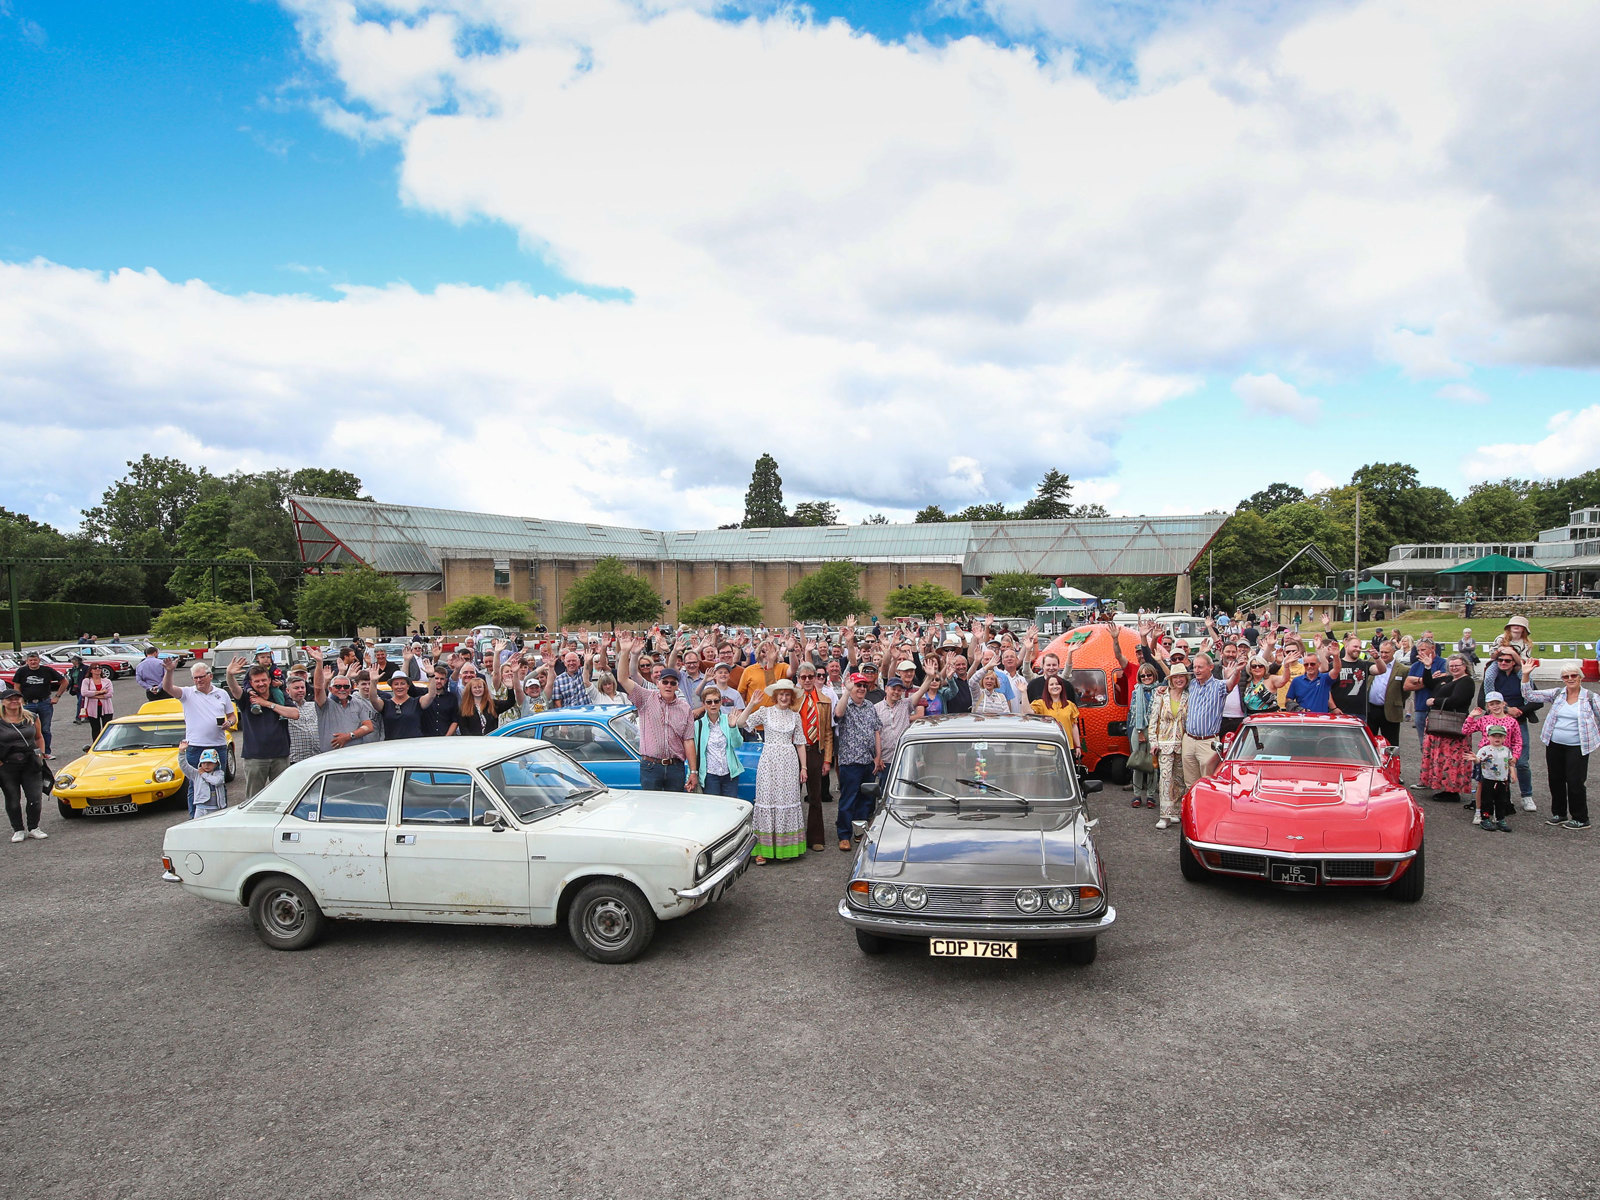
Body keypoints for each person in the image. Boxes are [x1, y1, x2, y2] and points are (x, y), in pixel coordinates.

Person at [1522, 660, 1599, 830]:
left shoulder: (1591, 697)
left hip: (1578, 746)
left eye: (1574, 675)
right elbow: (1530, 696)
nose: (1570, 679)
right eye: (1566, 676)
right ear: (1562, 679)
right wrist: (1526, 675)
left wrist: (1594, 735)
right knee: (1555, 779)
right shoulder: (1557, 694)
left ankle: (1581, 818)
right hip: (1554, 743)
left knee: (1575, 781)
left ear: (1580, 677)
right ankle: (1559, 813)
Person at [739, 678, 807, 863]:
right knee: (766, 800)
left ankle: (786, 848)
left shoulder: (795, 716)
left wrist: (804, 767)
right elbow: (741, 723)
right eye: (781, 694)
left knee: (787, 800)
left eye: (787, 694)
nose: (784, 697)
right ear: (775, 696)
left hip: (789, 761)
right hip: (769, 760)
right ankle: (763, 850)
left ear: (791, 697)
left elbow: (800, 743)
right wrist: (752, 704)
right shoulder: (765, 712)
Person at [617, 638, 695, 791]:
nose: (668, 685)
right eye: (665, 682)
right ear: (658, 683)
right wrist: (625, 652)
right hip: (651, 767)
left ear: (677, 686)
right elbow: (622, 679)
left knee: (674, 811)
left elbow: (689, 741)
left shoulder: (685, 708)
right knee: (652, 810)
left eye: (673, 683)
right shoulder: (645, 697)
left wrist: (693, 771)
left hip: (676, 767)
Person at [223, 658, 298, 797]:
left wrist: (266, 704)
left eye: (264, 680)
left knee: (283, 797)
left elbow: (294, 714)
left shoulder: (280, 695)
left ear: (269, 680)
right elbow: (234, 688)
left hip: (281, 755)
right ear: (250, 683)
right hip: (255, 758)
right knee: (253, 798)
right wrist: (229, 675)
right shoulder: (246, 698)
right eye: (256, 681)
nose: (261, 684)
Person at [1481, 647, 1537, 811]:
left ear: (1514, 662)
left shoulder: (1523, 676)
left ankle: (1527, 796)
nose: (1503, 663)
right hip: (1497, 724)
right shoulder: (1491, 678)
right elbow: (1482, 701)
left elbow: (1536, 700)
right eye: (1500, 660)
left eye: (1508, 660)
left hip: (1518, 721)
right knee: (1497, 761)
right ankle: (1504, 799)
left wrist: (1518, 711)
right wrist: (1505, 711)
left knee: (1522, 762)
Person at [832, 673, 883, 852]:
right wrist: (846, 691)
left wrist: (878, 756)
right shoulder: (845, 704)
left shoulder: (870, 706)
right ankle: (844, 835)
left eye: (863, 685)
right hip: (850, 761)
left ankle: (860, 832)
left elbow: (876, 730)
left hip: (868, 761)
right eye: (857, 685)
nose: (861, 688)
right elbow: (838, 714)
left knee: (866, 800)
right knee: (848, 799)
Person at [1418, 653, 1476, 802]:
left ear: (1465, 666)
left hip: (1453, 726)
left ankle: (1452, 790)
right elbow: (1429, 683)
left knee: (1452, 758)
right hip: (1441, 725)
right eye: (1451, 666)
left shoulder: (1467, 681)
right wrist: (1427, 667)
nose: (1454, 668)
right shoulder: (1449, 678)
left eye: (1457, 665)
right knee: (1441, 757)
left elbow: (1456, 700)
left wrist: (1435, 701)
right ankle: (1442, 785)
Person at [161, 658, 235, 770]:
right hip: (195, 746)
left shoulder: (222, 694)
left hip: (218, 745)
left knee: (217, 781)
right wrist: (170, 671)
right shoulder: (187, 693)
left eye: (202, 677)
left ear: (210, 676)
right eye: (195, 678)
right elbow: (167, 688)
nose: (199, 680)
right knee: (196, 782)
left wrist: (229, 723)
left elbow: (232, 716)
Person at [792, 663, 834, 852]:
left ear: (817, 677)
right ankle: (792, 837)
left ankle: (816, 837)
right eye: (804, 677)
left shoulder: (825, 700)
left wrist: (827, 759)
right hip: (794, 751)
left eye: (811, 676)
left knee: (815, 796)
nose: (808, 680)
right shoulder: (792, 699)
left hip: (815, 751)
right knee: (792, 796)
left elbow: (827, 733)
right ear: (799, 679)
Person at [1462, 695, 1523, 825]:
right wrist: (1471, 716)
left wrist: (1515, 757)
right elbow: (1466, 730)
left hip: (1502, 759)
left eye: (1497, 703)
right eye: (1491, 704)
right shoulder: (1484, 719)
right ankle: (1479, 812)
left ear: (1503, 704)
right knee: (1482, 785)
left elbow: (1517, 741)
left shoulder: (1512, 722)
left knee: (1500, 787)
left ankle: (1497, 814)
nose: (1495, 706)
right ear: (1487, 707)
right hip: (1484, 758)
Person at [0, 688, 48, 841]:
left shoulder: (32, 717)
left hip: (31, 762)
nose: (14, 701)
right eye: (10, 699)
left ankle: (34, 827)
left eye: (17, 698)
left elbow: (39, 737)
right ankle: (18, 829)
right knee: (12, 798)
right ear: (3, 702)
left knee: (35, 797)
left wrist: (41, 754)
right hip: (7, 764)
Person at [309, 650, 376, 753]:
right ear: (330, 689)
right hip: (330, 756)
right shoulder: (325, 704)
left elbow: (369, 726)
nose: (342, 689)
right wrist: (319, 662)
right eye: (338, 686)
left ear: (351, 688)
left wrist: (349, 736)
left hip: (355, 755)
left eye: (346, 686)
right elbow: (318, 688)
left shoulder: (357, 703)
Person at [1149, 662, 1190, 830]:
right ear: (1171, 679)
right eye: (1176, 677)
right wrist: (1153, 741)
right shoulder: (1162, 695)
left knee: (1179, 780)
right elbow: (1153, 719)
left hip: (1183, 743)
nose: (1179, 680)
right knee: (1165, 779)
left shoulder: (1189, 695)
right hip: (1164, 743)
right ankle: (1164, 815)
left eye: (1182, 677)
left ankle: (1175, 812)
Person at [692, 684, 746, 798]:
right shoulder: (698, 725)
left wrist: (732, 727)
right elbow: (695, 752)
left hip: (729, 773)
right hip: (710, 774)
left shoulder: (728, 719)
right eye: (709, 702)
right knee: (712, 810)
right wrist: (692, 774)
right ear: (704, 704)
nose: (713, 705)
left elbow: (738, 744)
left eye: (716, 701)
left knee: (731, 808)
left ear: (721, 702)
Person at [12, 650, 67, 759]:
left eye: (35, 660)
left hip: (44, 703)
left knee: (45, 729)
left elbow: (64, 682)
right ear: (27, 661)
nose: (33, 662)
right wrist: (19, 700)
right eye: (30, 660)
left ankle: (45, 752)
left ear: (39, 660)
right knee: (28, 728)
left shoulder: (47, 670)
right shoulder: (21, 671)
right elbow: (16, 686)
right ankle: (30, 753)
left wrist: (57, 696)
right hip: (28, 704)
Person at [1125, 665, 1158, 809]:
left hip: (1155, 730)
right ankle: (1137, 794)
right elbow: (1134, 712)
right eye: (1143, 676)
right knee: (1137, 763)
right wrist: (1139, 732)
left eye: (1149, 675)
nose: (1146, 678)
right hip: (1139, 729)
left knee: (1153, 764)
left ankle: (1150, 795)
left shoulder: (1160, 691)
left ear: (1154, 675)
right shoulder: (1136, 692)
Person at [1469, 724, 1513, 831]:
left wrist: (1513, 774)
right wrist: (1474, 759)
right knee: (1487, 800)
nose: (1497, 738)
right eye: (1494, 736)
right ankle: (1485, 818)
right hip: (1488, 779)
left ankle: (1500, 819)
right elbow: (1478, 760)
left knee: (1501, 801)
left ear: (1504, 738)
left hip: (1502, 780)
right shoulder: (1485, 750)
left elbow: (1510, 763)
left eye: (1500, 736)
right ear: (1488, 737)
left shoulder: (1506, 750)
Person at [1030, 673, 1081, 754]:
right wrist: (1023, 693)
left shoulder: (1070, 705)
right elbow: (1027, 713)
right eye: (1051, 684)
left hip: (1066, 747)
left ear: (1062, 687)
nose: (1055, 686)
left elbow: (1074, 726)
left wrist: (1078, 746)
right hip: (1046, 747)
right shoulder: (1040, 704)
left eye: (1057, 684)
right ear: (1047, 688)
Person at [176, 742, 229, 817]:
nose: (206, 765)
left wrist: (203, 774)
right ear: (200, 763)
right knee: (197, 827)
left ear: (216, 763)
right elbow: (184, 766)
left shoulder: (219, 773)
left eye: (209, 763)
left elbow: (216, 782)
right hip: (200, 808)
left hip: (216, 808)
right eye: (203, 763)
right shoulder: (196, 774)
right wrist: (181, 752)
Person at [283, 674, 321, 764]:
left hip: (316, 756)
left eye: (302, 687)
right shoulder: (284, 708)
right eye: (296, 688)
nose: (300, 690)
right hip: (295, 759)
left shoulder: (313, 705)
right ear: (287, 691)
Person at [78, 663, 114, 741]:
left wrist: (93, 695)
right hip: (92, 708)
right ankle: (96, 745)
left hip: (106, 708)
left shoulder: (107, 681)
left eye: (99, 668)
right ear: (91, 671)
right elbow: (84, 693)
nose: (98, 670)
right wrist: (100, 692)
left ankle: (107, 744)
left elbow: (110, 694)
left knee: (107, 728)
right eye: (95, 668)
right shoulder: (86, 681)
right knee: (95, 728)